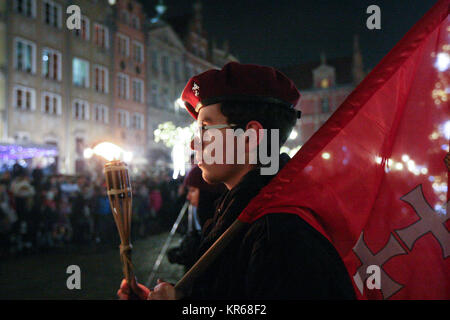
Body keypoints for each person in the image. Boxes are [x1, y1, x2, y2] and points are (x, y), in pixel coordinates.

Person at [118, 62, 356, 300]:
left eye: (205, 128)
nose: (193, 143)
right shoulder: (250, 207)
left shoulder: (278, 233)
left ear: (249, 137)